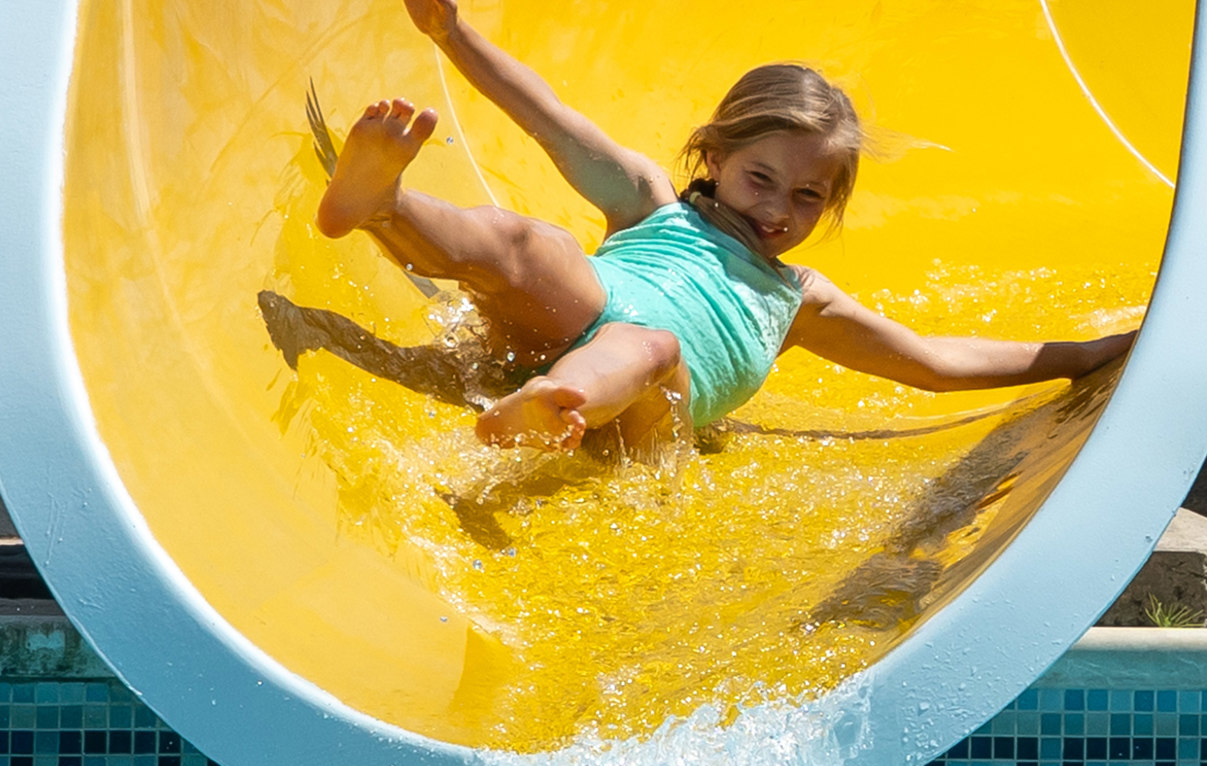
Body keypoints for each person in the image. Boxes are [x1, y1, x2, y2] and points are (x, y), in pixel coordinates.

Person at [315, 0, 1135, 453]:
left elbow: (936, 363)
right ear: (712, 155)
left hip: (643, 404)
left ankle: (551, 405)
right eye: (761, 179)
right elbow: (545, 118)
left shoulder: (800, 300)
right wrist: (451, 33)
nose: (778, 211)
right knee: (533, 247)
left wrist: (1086, 356)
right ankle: (383, 206)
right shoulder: (649, 202)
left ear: (834, 204)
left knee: (649, 348)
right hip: (576, 316)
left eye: (810, 198)